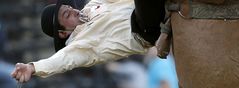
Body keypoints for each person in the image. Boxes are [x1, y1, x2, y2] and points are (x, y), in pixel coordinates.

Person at [10, 0, 166, 83]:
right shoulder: (80, 45)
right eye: (67, 15)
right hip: (144, 30)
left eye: (68, 7)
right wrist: (33, 67)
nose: (73, 10)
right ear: (63, 33)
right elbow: (62, 60)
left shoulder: (91, 7)